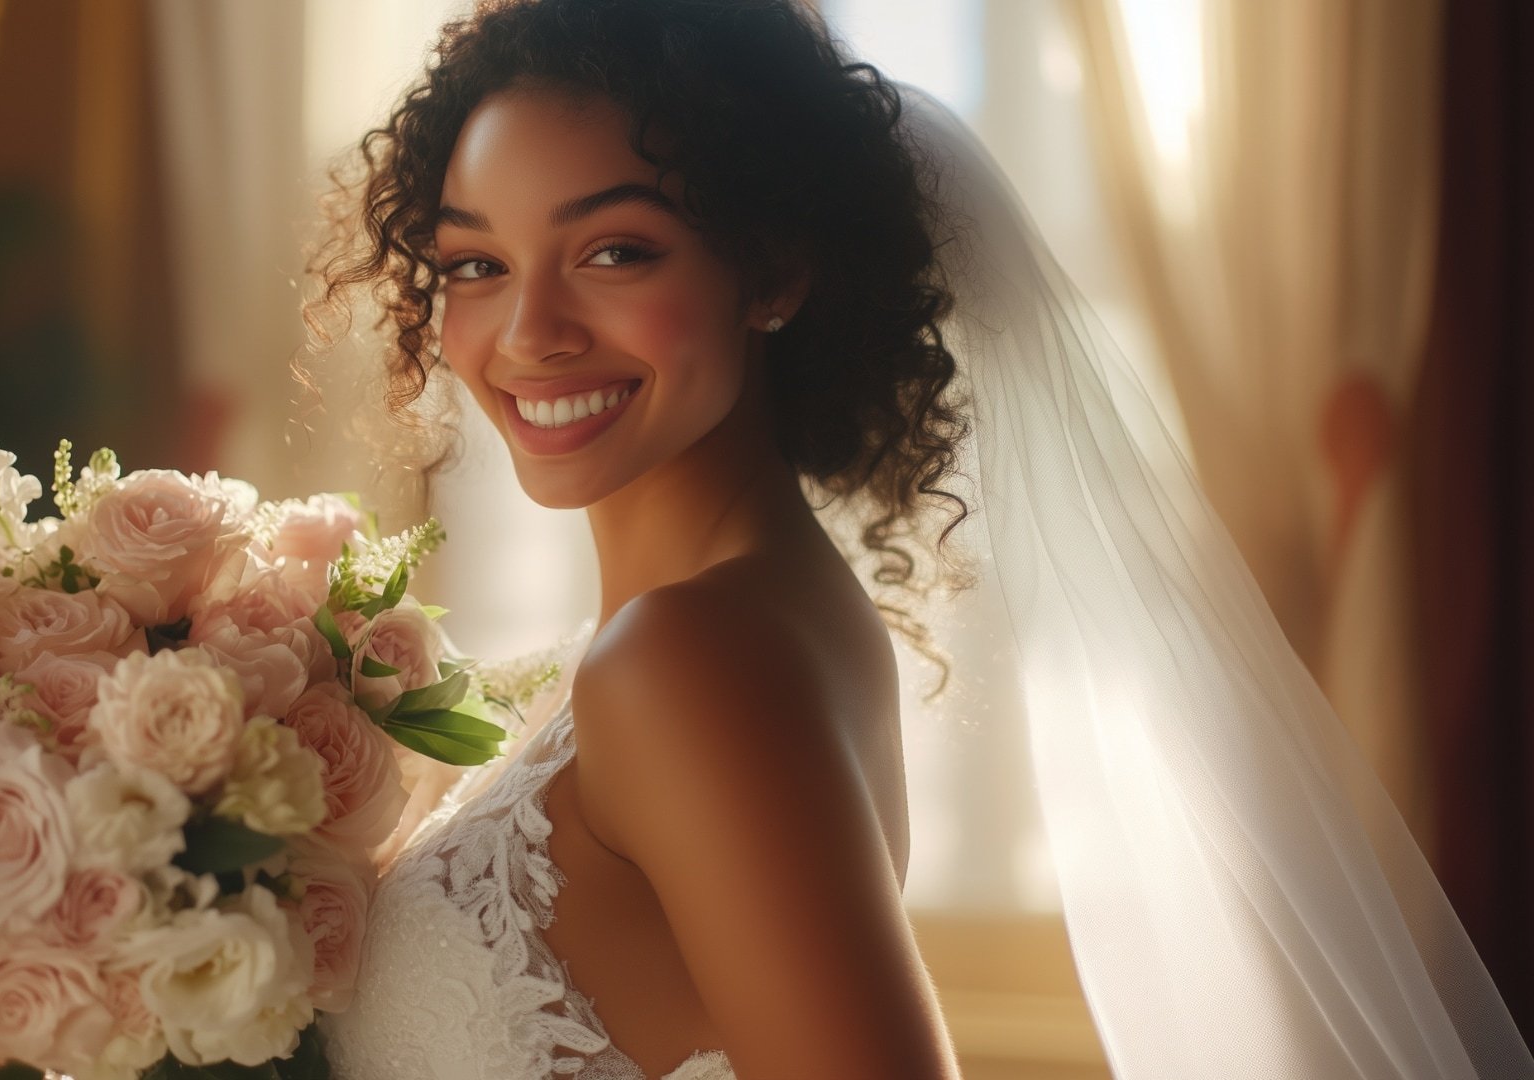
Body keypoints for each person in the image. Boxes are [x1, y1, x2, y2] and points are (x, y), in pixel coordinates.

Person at [301, 2, 1534, 1078]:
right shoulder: (730, 623)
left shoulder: (688, 660)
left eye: (616, 250)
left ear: (773, 270)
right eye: (475, 263)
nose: (529, 333)